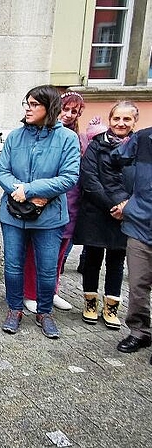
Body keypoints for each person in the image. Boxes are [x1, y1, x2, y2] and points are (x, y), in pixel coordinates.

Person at [0, 85, 80, 338]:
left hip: (49, 216)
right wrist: (20, 191)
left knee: (46, 268)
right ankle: (14, 309)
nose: (28, 109)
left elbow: (69, 177)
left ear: (49, 107)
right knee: (12, 266)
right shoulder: (15, 137)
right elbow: (2, 171)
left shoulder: (67, 139)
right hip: (12, 214)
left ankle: (44, 312)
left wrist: (30, 189)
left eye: (34, 105)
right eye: (27, 104)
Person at [22, 92, 104, 313]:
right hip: (43, 202)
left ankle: (51, 291)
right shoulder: (41, 134)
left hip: (71, 204)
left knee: (59, 253)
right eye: (65, 109)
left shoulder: (80, 139)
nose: (68, 115)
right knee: (36, 252)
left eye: (74, 111)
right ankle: (30, 292)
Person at [74, 101, 138, 330]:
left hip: (128, 213)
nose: (121, 123)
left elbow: (144, 180)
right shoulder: (96, 145)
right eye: (116, 118)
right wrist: (114, 205)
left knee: (116, 261)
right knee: (92, 259)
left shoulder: (141, 147)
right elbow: (89, 178)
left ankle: (111, 307)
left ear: (134, 122)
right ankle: (90, 304)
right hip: (97, 211)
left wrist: (127, 207)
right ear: (110, 120)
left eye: (126, 119)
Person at [104, 124, 152, 359]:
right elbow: (111, 164)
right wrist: (124, 199)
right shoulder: (143, 139)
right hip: (140, 227)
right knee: (138, 284)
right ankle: (140, 331)